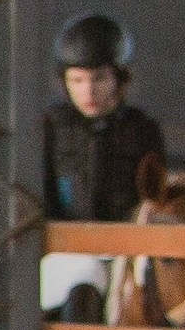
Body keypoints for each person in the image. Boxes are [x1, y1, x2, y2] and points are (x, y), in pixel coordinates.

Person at [43, 12, 165, 227]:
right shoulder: (50, 127)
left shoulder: (142, 129)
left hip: (126, 239)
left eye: (99, 79)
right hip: (62, 239)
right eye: (77, 80)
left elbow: (153, 194)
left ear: (119, 79)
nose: (88, 91)